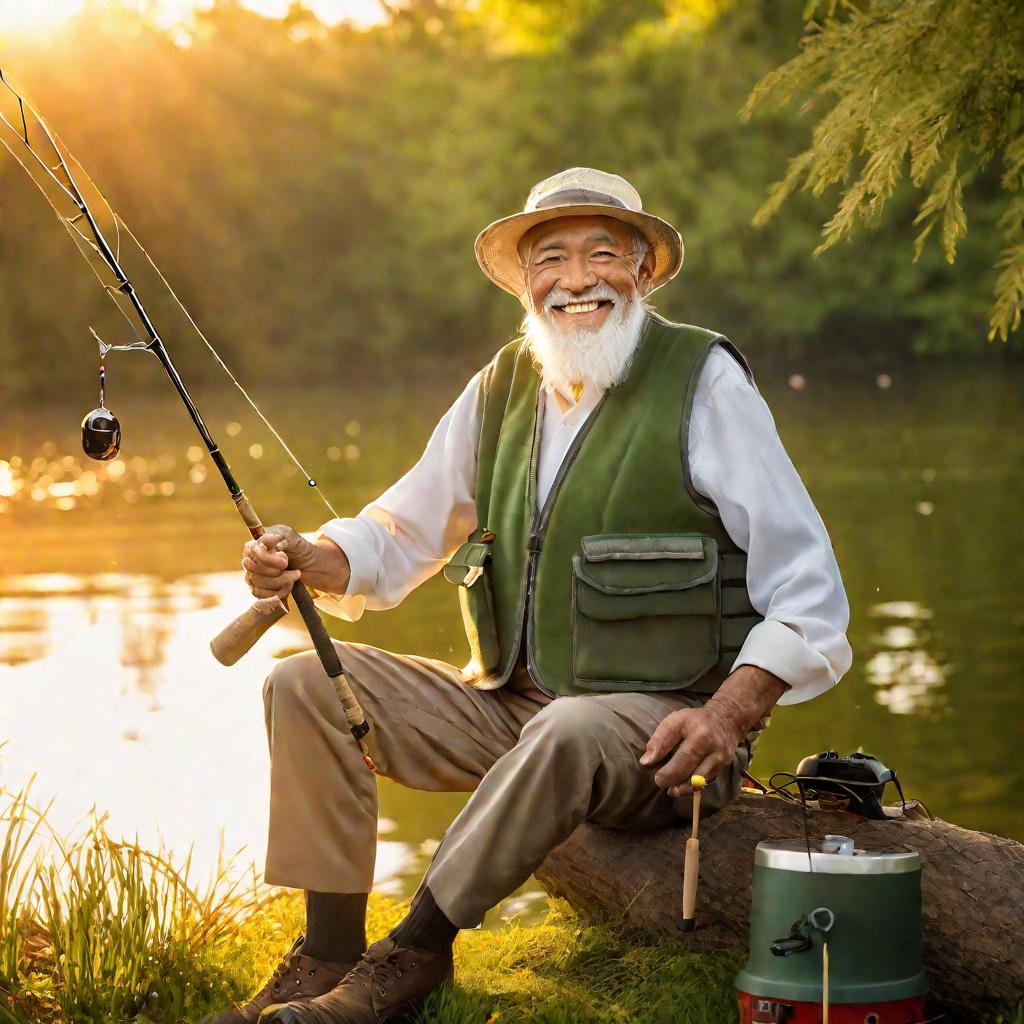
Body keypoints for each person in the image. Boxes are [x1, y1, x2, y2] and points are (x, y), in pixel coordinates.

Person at [208, 167, 851, 1024]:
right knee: (305, 685)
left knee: (571, 724)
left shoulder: (705, 380)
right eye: (551, 258)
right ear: (524, 281)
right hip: (513, 713)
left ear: (644, 270)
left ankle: (413, 956)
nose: (577, 279)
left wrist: (726, 718)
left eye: (602, 255)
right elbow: (400, 533)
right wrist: (310, 553)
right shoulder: (500, 387)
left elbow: (810, 592)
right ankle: (327, 954)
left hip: (658, 735)